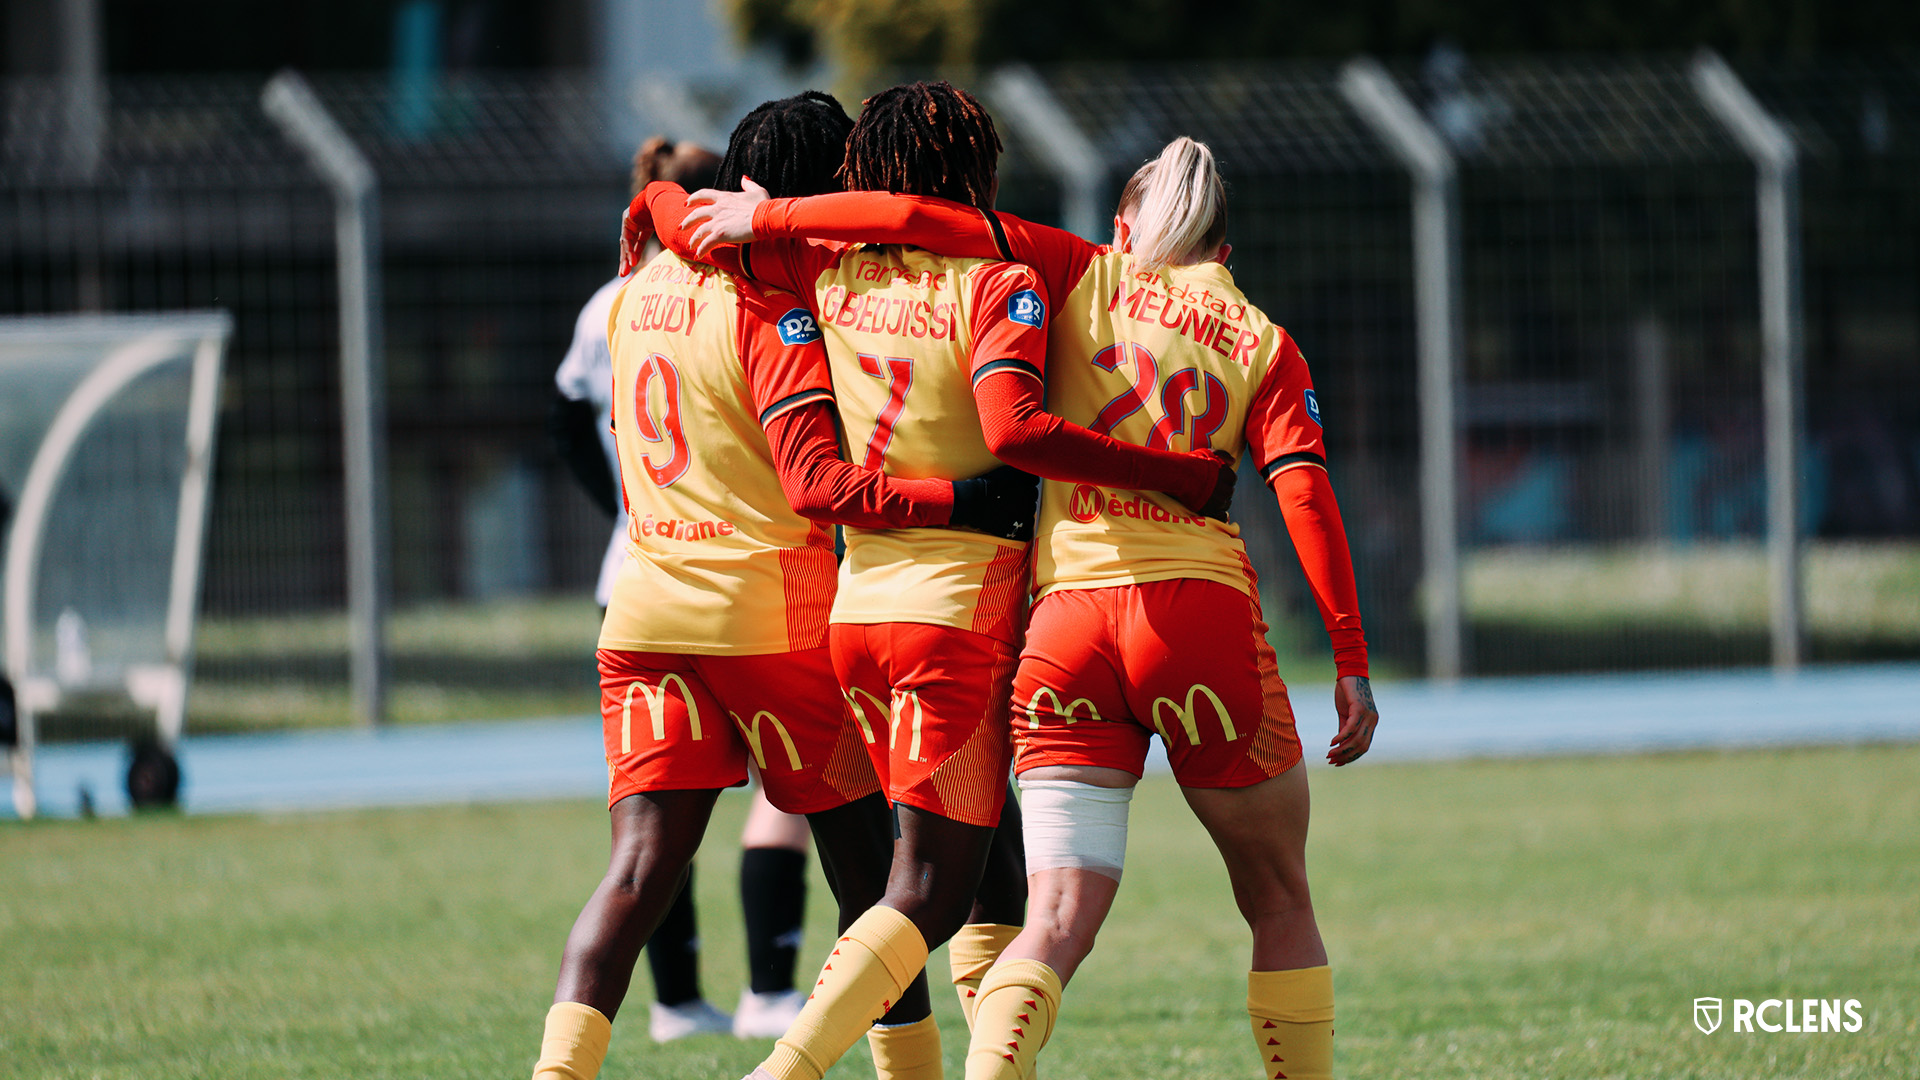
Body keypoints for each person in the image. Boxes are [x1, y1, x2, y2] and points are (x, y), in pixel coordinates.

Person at [677, 135, 1380, 1080]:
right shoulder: (1263, 340)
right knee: (1279, 899)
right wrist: (1349, 660)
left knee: (1050, 918)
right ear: (1225, 249)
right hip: (1198, 621)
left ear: (1124, 226)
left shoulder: (1080, 268)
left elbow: (912, 216)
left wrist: (766, 216)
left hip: (1067, 632)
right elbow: (1305, 496)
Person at [529, 92, 1038, 1080]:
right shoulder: (778, 302)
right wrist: (969, 498)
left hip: (642, 608)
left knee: (634, 874)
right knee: (876, 885)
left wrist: (661, 204)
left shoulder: (632, 290)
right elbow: (812, 479)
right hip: (773, 614)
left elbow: (653, 237)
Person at [551, 136, 821, 1042]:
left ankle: (671, 1003)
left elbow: (564, 417)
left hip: (639, 576)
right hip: (753, 581)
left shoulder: (616, 298)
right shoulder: (758, 290)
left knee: (652, 832)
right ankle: (774, 995)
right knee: (801, 807)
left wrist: (623, 509)